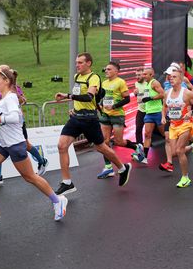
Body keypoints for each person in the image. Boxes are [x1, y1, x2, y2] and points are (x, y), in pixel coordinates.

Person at [0, 67, 68, 226]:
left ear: (6, 81)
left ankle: (58, 200)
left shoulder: (11, 98)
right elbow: (3, 121)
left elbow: (16, 117)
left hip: (16, 144)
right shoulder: (3, 99)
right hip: (3, 144)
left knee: (30, 177)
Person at [54, 53, 131, 195]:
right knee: (62, 145)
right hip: (76, 118)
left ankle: (122, 168)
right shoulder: (77, 77)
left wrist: (67, 96)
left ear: (88, 63)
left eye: (80, 62)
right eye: (76, 62)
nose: (77, 65)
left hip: (89, 119)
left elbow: (89, 97)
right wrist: (74, 107)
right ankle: (67, 182)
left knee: (101, 147)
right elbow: (78, 96)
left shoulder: (94, 77)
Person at [0, 66, 48, 185]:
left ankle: (42, 160)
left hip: (15, 123)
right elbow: (1, 102)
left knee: (26, 145)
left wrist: (17, 99)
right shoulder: (1, 89)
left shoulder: (14, 89)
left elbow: (23, 100)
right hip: (1, 122)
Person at [162, 68, 193, 188]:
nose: (171, 78)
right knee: (174, 152)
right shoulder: (167, 93)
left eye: (174, 76)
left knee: (180, 151)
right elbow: (164, 106)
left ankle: (185, 178)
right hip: (173, 125)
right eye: (170, 76)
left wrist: (191, 113)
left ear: (181, 79)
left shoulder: (187, 93)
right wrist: (163, 117)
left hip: (186, 124)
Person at [96, 62, 138, 178]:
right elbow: (102, 98)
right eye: (106, 69)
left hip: (117, 115)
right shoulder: (104, 83)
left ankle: (136, 147)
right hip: (105, 114)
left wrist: (114, 106)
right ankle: (108, 168)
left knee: (119, 142)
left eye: (109, 69)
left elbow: (127, 99)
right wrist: (99, 105)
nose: (106, 71)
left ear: (116, 71)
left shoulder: (120, 82)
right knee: (105, 141)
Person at [133, 67, 167, 165]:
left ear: (151, 75)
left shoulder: (154, 83)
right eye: (142, 74)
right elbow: (144, 97)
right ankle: (145, 157)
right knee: (147, 135)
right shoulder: (147, 84)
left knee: (164, 134)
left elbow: (163, 94)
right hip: (149, 113)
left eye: (145, 74)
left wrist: (151, 98)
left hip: (157, 113)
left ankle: (175, 148)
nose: (143, 76)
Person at [132, 68, 146, 161]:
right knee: (138, 130)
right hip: (140, 110)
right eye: (136, 75)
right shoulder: (136, 84)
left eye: (139, 75)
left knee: (154, 132)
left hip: (150, 110)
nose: (137, 77)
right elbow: (139, 95)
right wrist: (135, 94)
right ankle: (139, 151)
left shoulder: (149, 83)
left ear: (144, 75)